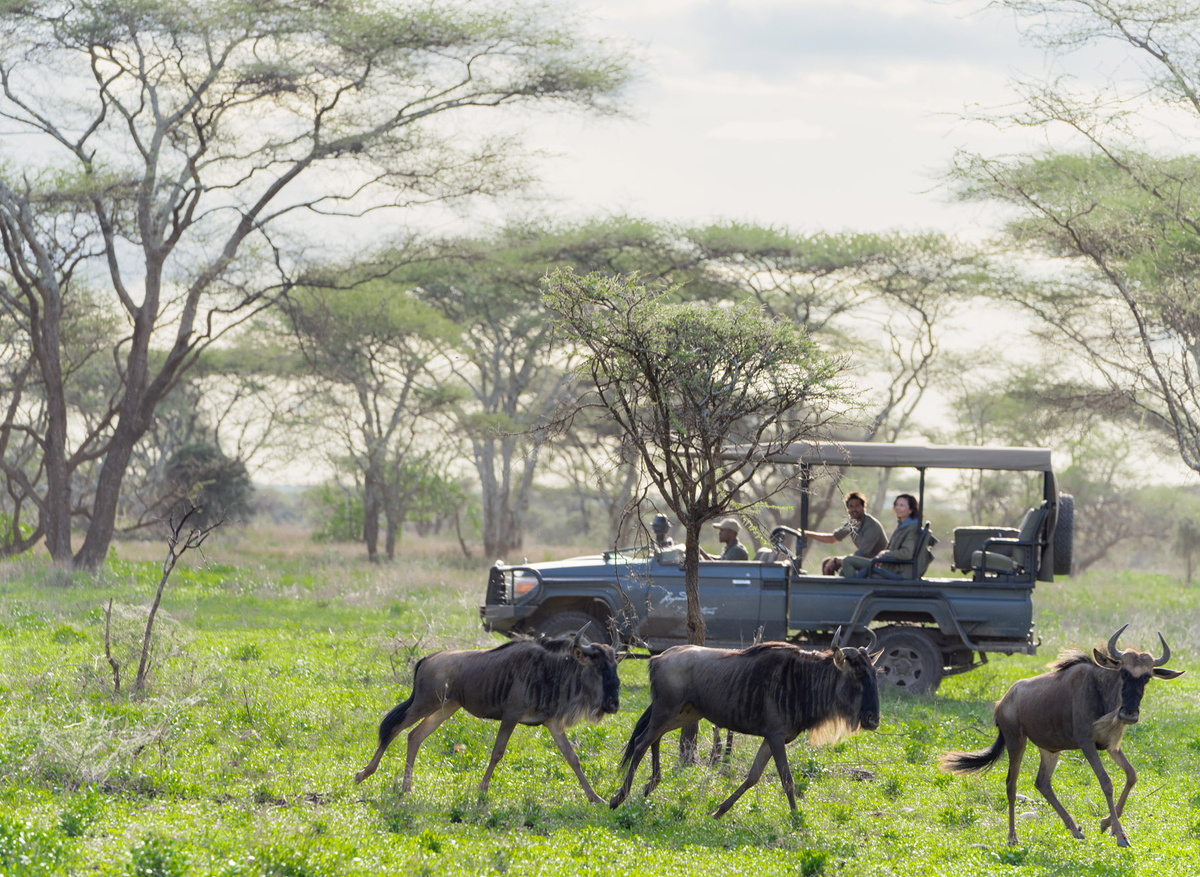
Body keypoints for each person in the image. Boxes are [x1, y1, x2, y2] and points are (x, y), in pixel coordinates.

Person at [803, 491, 888, 575]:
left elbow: (861, 553)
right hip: (863, 559)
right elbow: (832, 538)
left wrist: (836, 560)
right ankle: (829, 588)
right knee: (827, 563)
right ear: (847, 509)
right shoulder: (852, 523)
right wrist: (807, 534)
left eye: (857, 506)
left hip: (877, 563)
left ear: (863, 507)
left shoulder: (871, 526)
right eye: (851, 506)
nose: (854, 509)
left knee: (843, 564)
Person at [839, 494, 921, 579]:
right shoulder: (903, 526)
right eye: (896, 504)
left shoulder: (912, 528)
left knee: (847, 561)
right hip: (886, 564)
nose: (897, 508)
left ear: (911, 510)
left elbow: (907, 553)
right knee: (843, 571)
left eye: (902, 505)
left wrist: (885, 553)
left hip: (894, 569)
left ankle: (855, 590)